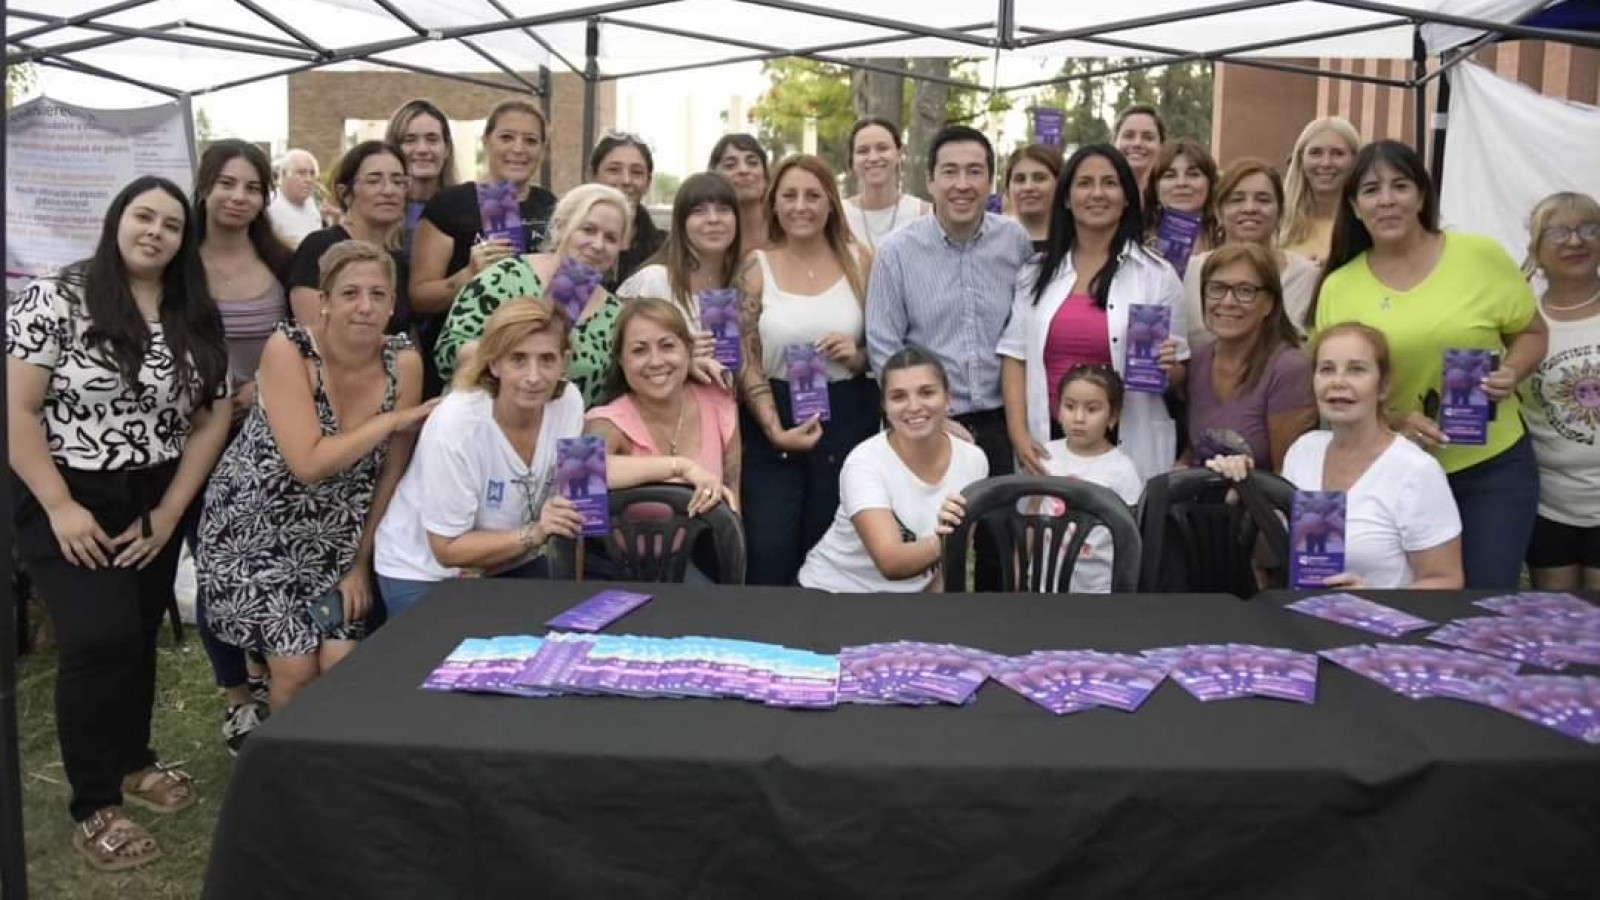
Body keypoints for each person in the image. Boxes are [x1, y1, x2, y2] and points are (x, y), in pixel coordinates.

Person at [8, 176, 231, 870]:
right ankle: (93, 802)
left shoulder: (193, 308)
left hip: (153, 494)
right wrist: (59, 505)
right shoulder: (57, 295)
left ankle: (134, 762)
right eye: (144, 216)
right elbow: (14, 410)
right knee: (97, 640)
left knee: (135, 633)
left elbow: (213, 414)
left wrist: (169, 513)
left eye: (171, 224)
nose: (155, 231)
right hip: (64, 489)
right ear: (117, 220)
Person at [197, 241, 433, 713]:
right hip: (253, 537)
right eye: (349, 293)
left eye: (378, 294)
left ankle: (322, 763)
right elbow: (308, 462)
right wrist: (388, 422)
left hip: (335, 544)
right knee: (298, 670)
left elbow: (391, 471)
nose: (364, 306)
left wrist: (359, 563)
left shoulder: (403, 360)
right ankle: (281, 772)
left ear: (392, 307)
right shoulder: (289, 348)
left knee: (341, 662)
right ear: (323, 302)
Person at [1309, 140, 1545, 590]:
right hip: (1392, 467)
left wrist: (1512, 371)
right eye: (1372, 190)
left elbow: (1532, 333)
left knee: (1482, 600)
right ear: (1355, 207)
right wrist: (1394, 420)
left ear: (1421, 195)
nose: (1387, 200)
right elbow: (1334, 384)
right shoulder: (1340, 286)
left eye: (1400, 185)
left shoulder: (1480, 256)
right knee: (1404, 599)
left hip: (1489, 465)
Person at [1207, 323, 1464, 589]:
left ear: (1384, 386)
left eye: (1356, 370)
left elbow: (1445, 581)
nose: (1338, 382)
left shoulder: (1416, 470)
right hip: (1301, 619)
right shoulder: (1303, 451)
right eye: (1327, 369)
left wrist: (1375, 601)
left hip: (1376, 628)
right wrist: (1245, 487)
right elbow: (1271, 557)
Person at [374, 300, 585, 616]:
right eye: (518, 359)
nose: (533, 376)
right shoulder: (456, 424)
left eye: (547, 360)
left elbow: (576, 509)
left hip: (514, 559)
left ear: (564, 362)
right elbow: (446, 549)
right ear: (494, 364)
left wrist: (574, 599)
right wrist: (536, 533)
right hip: (427, 572)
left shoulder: (569, 401)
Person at [1001, 144, 1188, 483]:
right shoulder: (1035, 273)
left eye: (1110, 183)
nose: (1097, 193)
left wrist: (1168, 367)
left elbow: (1180, 375)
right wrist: (1018, 433)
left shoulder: (1157, 275)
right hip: (1050, 444)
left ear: (1127, 197)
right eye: (1085, 183)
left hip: (1127, 445)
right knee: (1049, 534)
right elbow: (1015, 356)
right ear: (1068, 198)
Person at [192, 139, 293, 754]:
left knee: (267, 559)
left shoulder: (279, 260)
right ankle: (236, 695)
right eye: (228, 183)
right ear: (205, 184)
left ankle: (264, 669)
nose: (239, 196)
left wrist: (269, 386)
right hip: (198, 436)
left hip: (271, 438)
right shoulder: (179, 261)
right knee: (214, 568)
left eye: (252, 187)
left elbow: (301, 331)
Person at [738, 154, 876, 585]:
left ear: (832, 204)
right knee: (770, 547)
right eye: (790, 195)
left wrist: (857, 356)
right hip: (773, 415)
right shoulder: (754, 265)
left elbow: (884, 342)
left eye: (814, 195)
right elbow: (743, 357)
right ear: (774, 204)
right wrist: (772, 426)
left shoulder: (862, 260)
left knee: (833, 547)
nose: (802, 206)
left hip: (848, 413)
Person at [798, 348, 986, 593]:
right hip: (834, 594)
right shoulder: (864, 463)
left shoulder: (974, 460)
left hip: (908, 603)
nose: (914, 406)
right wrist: (947, 542)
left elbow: (944, 565)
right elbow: (891, 562)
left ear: (948, 399)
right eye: (898, 397)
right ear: (884, 406)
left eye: (927, 393)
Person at [433, 183, 633, 403]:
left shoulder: (617, 315)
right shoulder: (505, 276)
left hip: (568, 432)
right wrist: (516, 355)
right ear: (560, 227)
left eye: (611, 238)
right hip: (481, 422)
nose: (598, 244)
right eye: (588, 230)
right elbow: (447, 352)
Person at [410, 100, 557, 392]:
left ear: (543, 150)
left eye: (530, 140)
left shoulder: (552, 206)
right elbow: (418, 298)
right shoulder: (451, 204)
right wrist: (467, 275)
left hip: (535, 371)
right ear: (486, 141)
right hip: (470, 371)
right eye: (506, 137)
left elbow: (566, 297)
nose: (518, 148)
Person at [584, 298, 740, 516]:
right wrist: (682, 467)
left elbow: (733, 505)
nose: (655, 361)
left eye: (667, 346)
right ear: (621, 360)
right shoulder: (606, 420)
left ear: (688, 350)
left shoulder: (718, 400)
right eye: (639, 350)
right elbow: (582, 474)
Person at [1518, 192, 1600, 591]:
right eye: (1559, 232)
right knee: (1560, 627)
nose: (1575, 241)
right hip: (1549, 507)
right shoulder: (1520, 322)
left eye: (1589, 229)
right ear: (1536, 248)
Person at [1183, 243, 1315, 471]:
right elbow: (1196, 450)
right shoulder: (1198, 360)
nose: (1227, 302)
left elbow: (1287, 475)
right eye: (1217, 288)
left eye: (1245, 291)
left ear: (1269, 305)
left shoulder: (1288, 369)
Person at [616, 171, 742, 385]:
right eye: (699, 211)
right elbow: (622, 356)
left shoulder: (744, 283)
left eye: (723, 210)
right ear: (681, 223)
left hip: (729, 411)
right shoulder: (654, 281)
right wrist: (681, 358)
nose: (713, 219)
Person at [1182, 158, 1320, 348]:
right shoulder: (1189, 274)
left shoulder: (1309, 277)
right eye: (1237, 200)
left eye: (1263, 200)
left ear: (1279, 211)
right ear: (1218, 211)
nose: (1250, 208)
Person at [289, 141, 414, 340]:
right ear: (344, 193)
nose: (389, 191)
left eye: (398, 182)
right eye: (374, 181)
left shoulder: (396, 258)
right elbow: (315, 337)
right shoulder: (320, 247)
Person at [1040, 364, 1144, 593]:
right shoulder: (1047, 455)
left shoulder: (1122, 470)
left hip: (1098, 588)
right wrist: (1023, 565)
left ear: (1112, 416)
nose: (1078, 418)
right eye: (1069, 406)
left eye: (1092, 409)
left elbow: (1129, 538)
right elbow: (1033, 514)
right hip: (1045, 585)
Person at [1280, 116, 1361, 263]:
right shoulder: (1277, 220)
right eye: (1315, 153)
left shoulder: (1368, 223)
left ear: (1355, 160)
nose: (1326, 163)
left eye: (1338, 153)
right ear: (1300, 158)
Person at [842, 117, 930, 252]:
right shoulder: (839, 216)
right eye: (863, 151)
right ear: (852, 160)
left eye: (882, 148)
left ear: (899, 154)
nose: (873, 158)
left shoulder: (924, 214)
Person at [590, 132, 666, 288]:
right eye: (614, 170)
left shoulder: (665, 249)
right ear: (592, 175)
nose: (626, 180)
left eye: (637, 172)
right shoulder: (573, 238)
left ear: (648, 182)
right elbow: (565, 308)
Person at [384, 98, 456, 253]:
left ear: (447, 148)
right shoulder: (378, 210)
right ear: (393, 149)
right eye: (410, 140)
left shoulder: (465, 208)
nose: (422, 149)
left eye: (432, 139)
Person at [1145, 138, 1222, 264]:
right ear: (1155, 188)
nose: (1181, 183)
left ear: (1210, 183)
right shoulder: (1138, 244)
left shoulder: (1227, 238)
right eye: (1170, 175)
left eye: (1193, 174)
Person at [709, 133, 770, 258]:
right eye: (730, 165)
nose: (743, 170)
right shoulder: (702, 237)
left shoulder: (787, 234)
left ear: (766, 175)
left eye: (752, 163)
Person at [1005, 143, 1063, 249]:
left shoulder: (1080, 244)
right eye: (1020, 179)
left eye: (1040, 178)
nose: (1028, 187)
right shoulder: (988, 244)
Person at [267, 148, 323, 247]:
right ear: (284, 174)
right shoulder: (268, 206)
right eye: (301, 173)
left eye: (312, 173)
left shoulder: (312, 205)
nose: (309, 179)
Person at [1112, 104, 1165, 194]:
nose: (1137, 143)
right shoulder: (1097, 196)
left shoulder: (1174, 199)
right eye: (1129, 136)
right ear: (1114, 142)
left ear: (1162, 146)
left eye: (1148, 137)